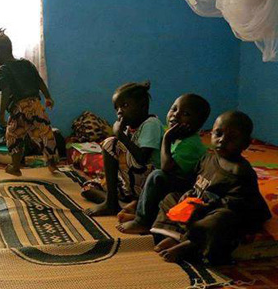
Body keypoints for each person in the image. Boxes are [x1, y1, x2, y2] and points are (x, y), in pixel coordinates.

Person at [150, 111, 271, 264]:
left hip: (229, 212)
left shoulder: (240, 171)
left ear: (246, 144)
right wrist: (189, 193)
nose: (222, 140)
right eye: (218, 134)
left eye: (232, 138)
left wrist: (206, 206)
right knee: (171, 198)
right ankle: (174, 236)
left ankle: (191, 245)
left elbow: (238, 203)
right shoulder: (207, 158)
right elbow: (195, 181)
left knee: (219, 220)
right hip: (201, 206)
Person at [117, 93, 210, 234]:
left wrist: (166, 139)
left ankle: (142, 221)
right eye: (174, 109)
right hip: (176, 181)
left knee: (157, 176)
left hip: (189, 188)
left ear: (199, 124)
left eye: (185, 114)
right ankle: (142, 210)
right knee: (151, 172)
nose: (175, 115)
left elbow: (166, 168)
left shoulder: (191, 144)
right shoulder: (175, 136)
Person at [85, 81, 164, 216]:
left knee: (110, 143)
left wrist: (120, 135)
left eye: (125, 105)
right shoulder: (129, 127)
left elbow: (142, 159)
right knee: (88, 188)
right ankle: (119, 203)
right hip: (131, 184)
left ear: (143, 106)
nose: (119, 111)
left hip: (150, 183)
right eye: (117, 108)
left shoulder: (151, 124)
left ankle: (113, 203)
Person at [0, 29, 58, 176]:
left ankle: (15, 167)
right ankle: (52, 163)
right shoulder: (26, 63)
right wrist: (48, 97)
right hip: (36, 105)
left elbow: (6, 93)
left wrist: (1, 115)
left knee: (13, 136)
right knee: (45, 133)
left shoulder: (3, 70)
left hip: (19, 109)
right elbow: (39, 81)